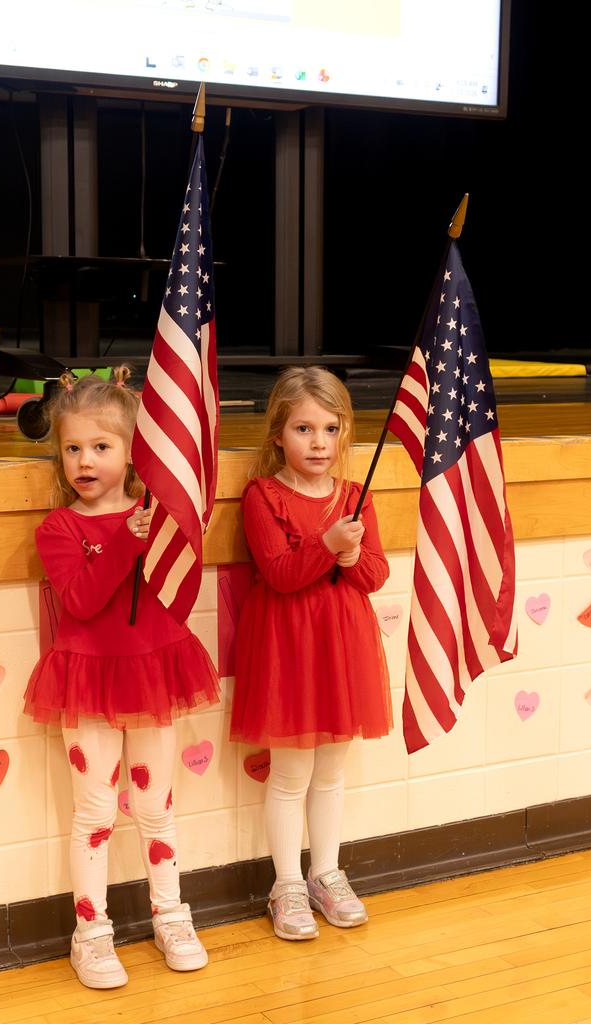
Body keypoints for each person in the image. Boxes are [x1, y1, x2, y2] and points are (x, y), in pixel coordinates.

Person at [23, 368, 220, 988]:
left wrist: (153, 531)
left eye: (101, 447)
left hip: (150, 675)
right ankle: (92, 933)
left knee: (156, 807)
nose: (84, 460)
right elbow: (80, 601)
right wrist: (123, 546)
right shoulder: (59, 528)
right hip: (85, 682)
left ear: (134, 451)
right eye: (73, 448)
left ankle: (171, 915)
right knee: (95, 812)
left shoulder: (155, 516)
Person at [230, 366, 393, 941]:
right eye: (304, 428)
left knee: (332, 772)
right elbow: (279, 574)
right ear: (279, 433)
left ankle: (326, 873)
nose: (318, 442)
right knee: (291, 772)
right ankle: (287, 885)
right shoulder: (262, 497)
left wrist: (352, 558)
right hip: (288, 647)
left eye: (330, 428)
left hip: (342, 646)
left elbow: (375, 575)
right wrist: (328, 544)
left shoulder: (355, 497)